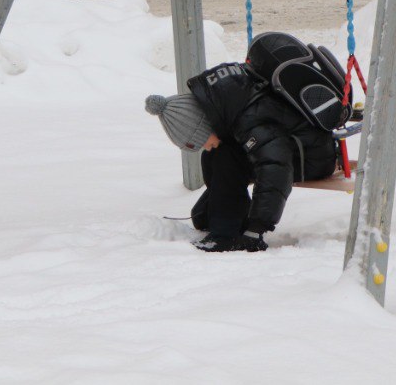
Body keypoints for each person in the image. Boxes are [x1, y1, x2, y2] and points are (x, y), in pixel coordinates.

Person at [144, 32, 349, 253]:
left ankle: (226, 234)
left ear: (203, 125)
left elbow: (276, 170)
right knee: (216, 154)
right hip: (293, 149)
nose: (204, 145)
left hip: (312, 157)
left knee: (225, 157)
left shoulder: (251, 119)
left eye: (199, 141)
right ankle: (220, 216)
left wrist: (256, 230)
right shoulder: (231, 103)